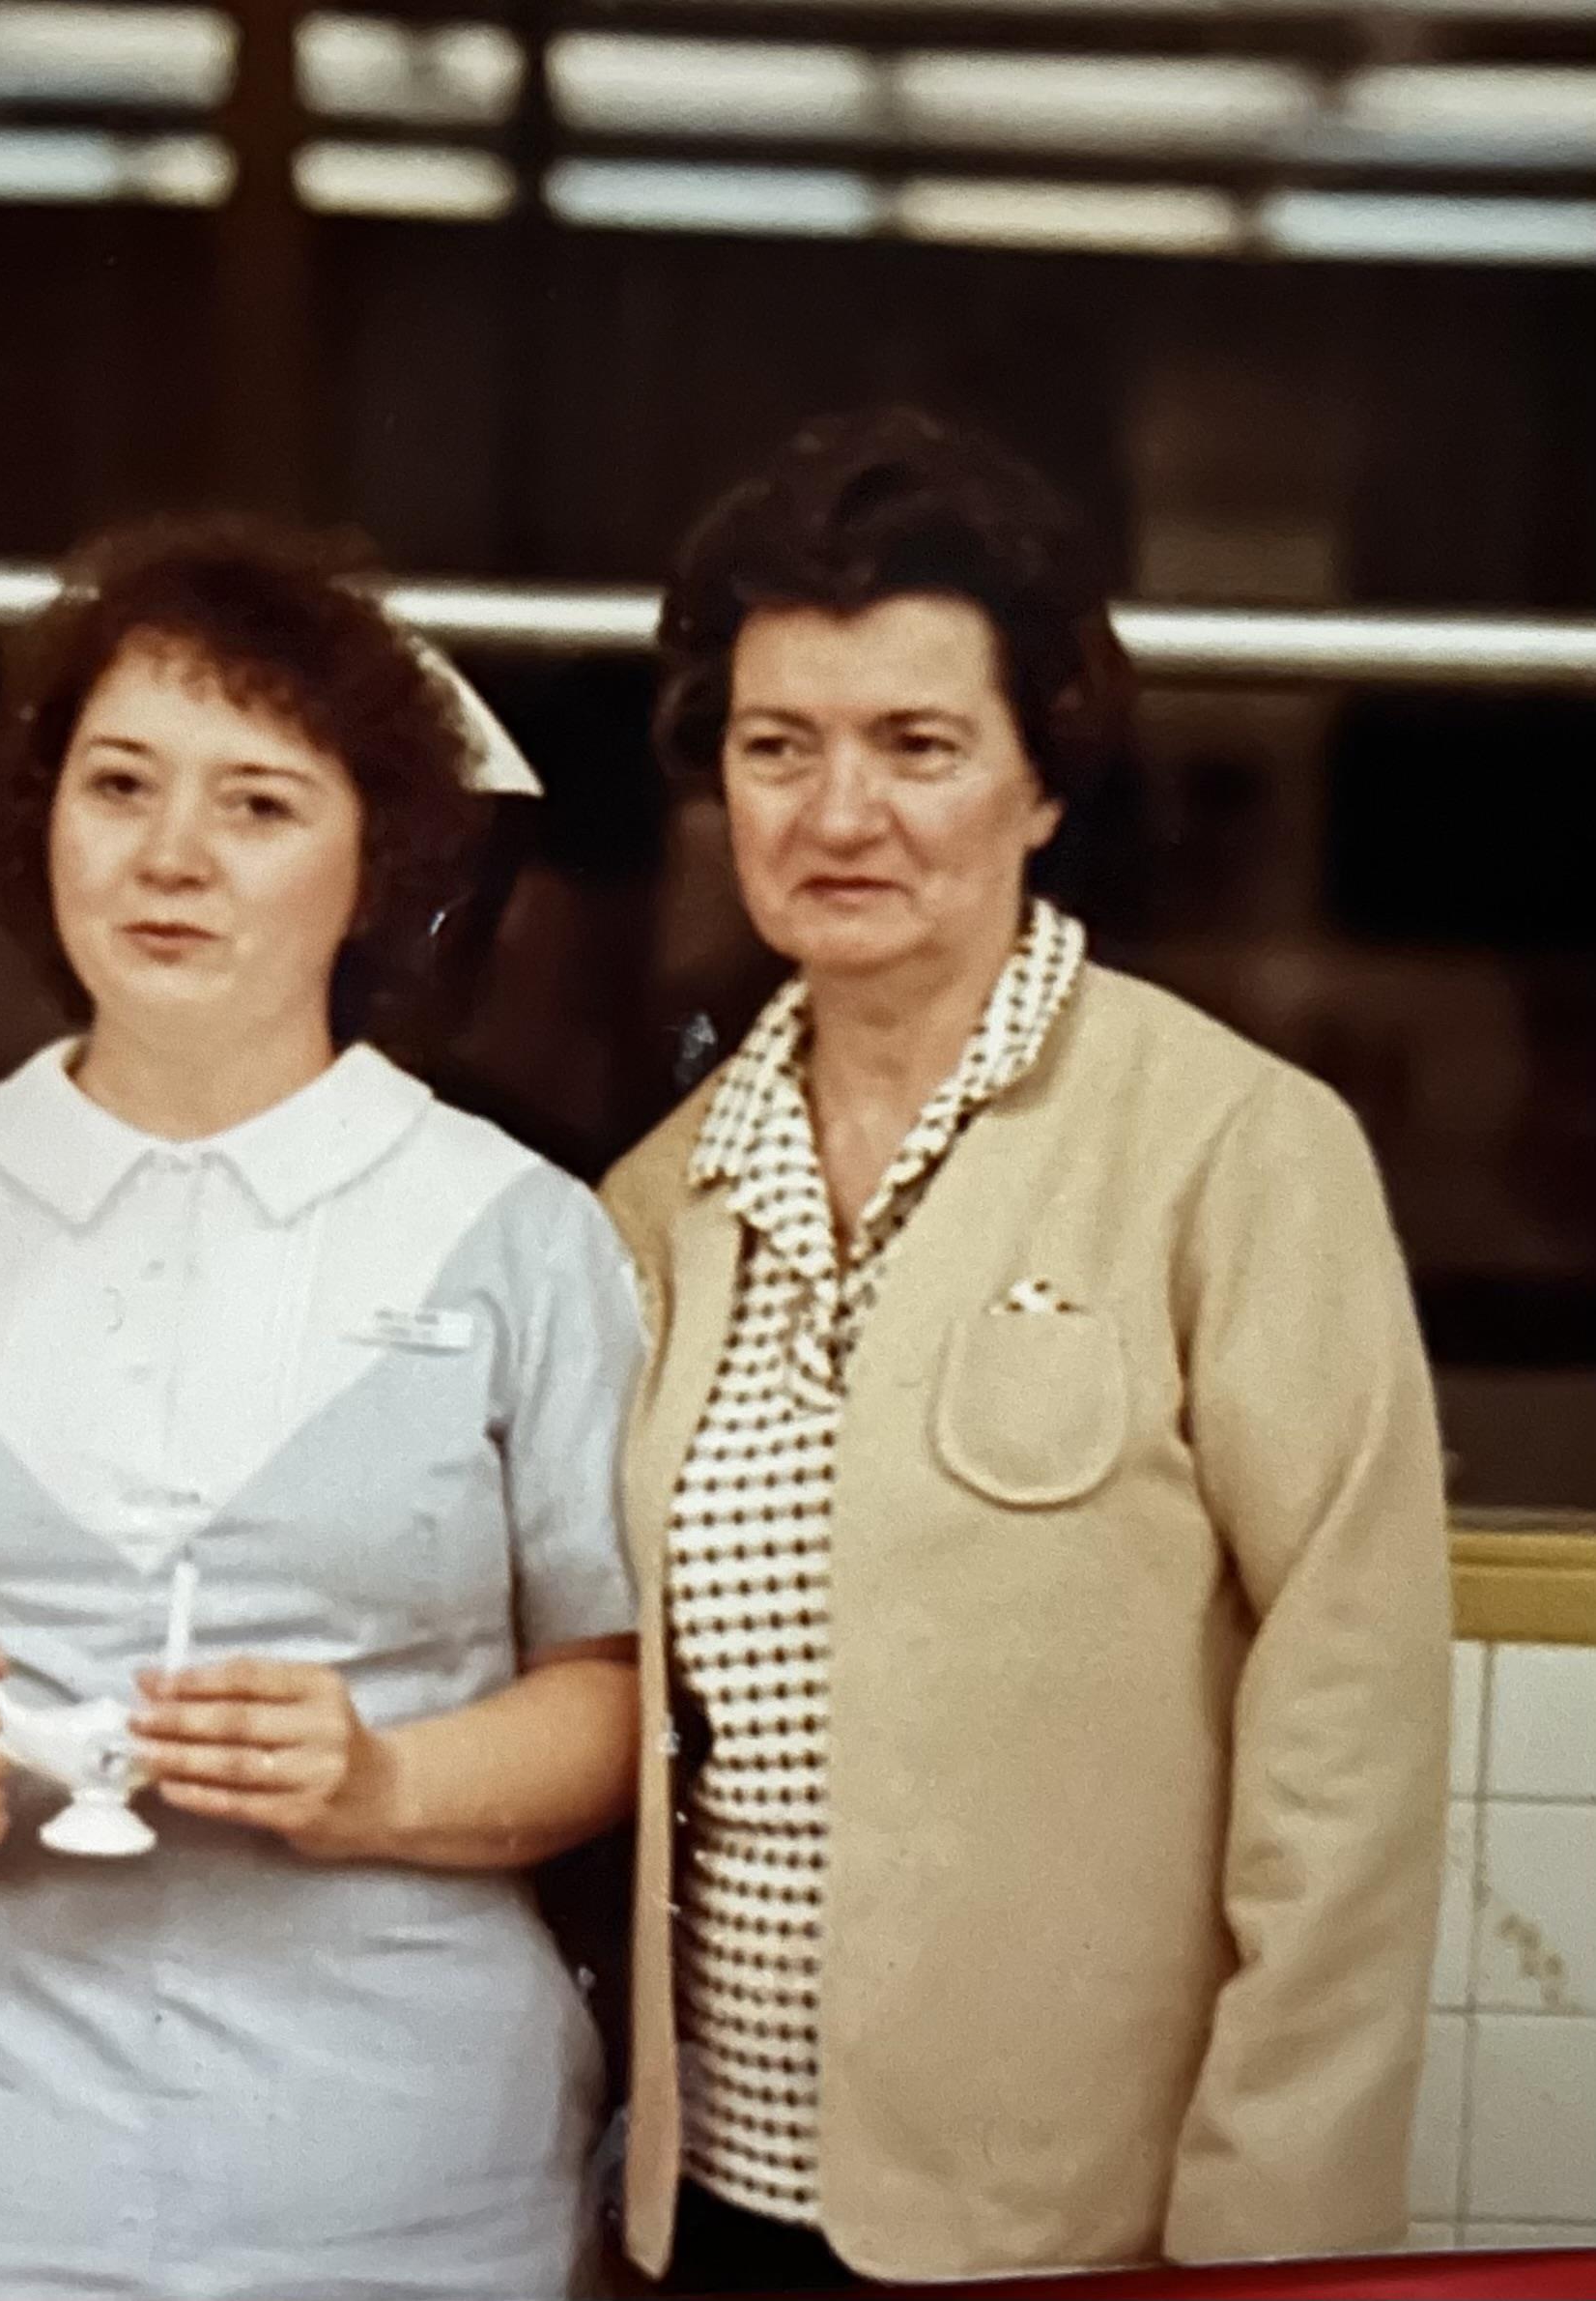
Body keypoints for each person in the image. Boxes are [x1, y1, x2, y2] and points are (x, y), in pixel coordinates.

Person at [0, 517, 646, 2300]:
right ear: (38, 820)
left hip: (402, 2162)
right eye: (118, 785)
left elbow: (608, 1687)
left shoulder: (514, 1231)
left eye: (258, 804)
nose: (170, 855)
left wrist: (383, 1779)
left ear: (376, 864)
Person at [600, 407, 1450, 2289]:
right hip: (714, 2209)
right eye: (775, 746)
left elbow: (1348, 1754)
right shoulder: (659, 1202)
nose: (838, 814)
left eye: (916, 746)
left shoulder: (1230, 1149)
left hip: (1077, 2233)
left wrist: (1268, 2243)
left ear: (1041, 780)